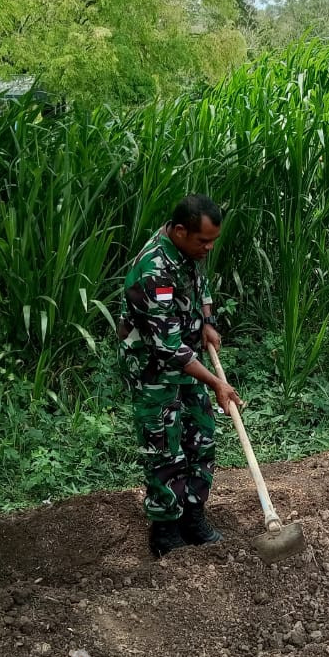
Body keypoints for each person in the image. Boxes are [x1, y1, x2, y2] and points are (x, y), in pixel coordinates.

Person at [118, 194, 244, 558]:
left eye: (213, 241)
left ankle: (193, 515)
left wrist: (206, 320)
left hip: (188, 362)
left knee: (200, 436)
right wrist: (218, 383)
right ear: (178, 231)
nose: (208, 248)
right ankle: (165, 530)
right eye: (203, 241)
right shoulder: (152, 271)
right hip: (155, 372)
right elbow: (167, 348)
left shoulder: (188, 252)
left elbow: (199, 283)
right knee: (164, 449)